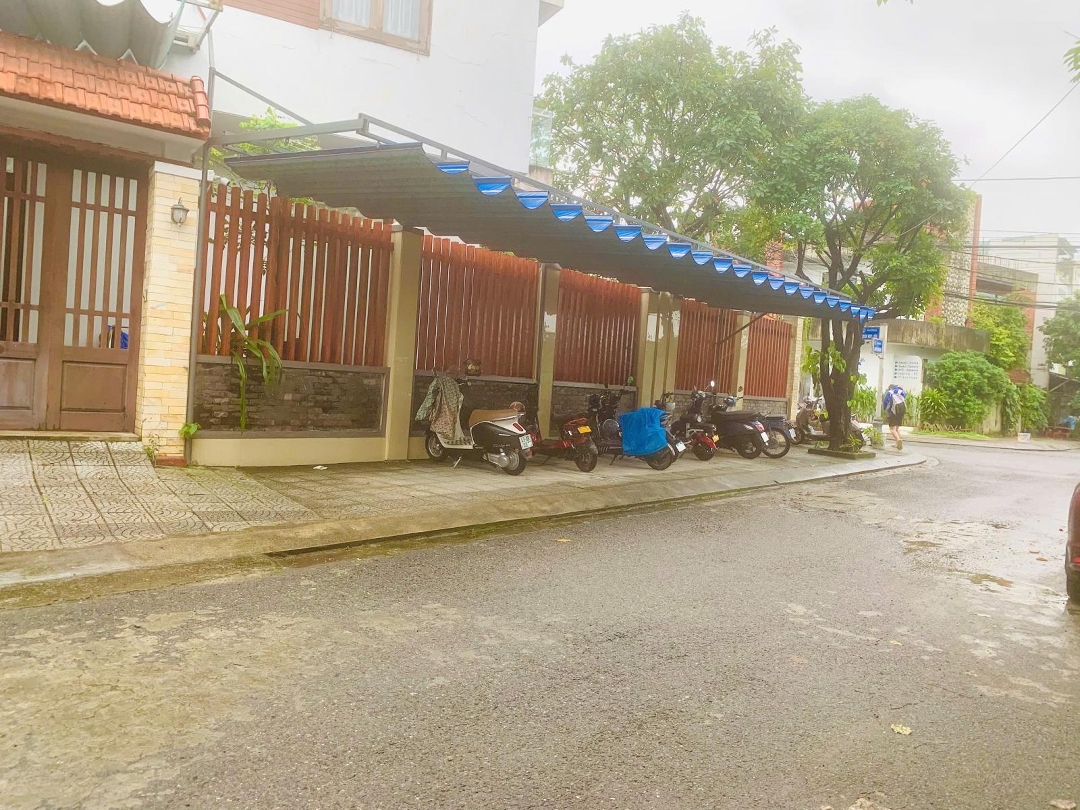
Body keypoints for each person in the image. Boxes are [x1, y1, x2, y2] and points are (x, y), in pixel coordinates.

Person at [882, 383, 907, 450]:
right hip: (902, 410)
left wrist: (886, 410)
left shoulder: (890, 392)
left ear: (890, 388)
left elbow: (886, 403)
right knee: (897, 428)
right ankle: (897, 443)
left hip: (894, 411)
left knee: (892, 429)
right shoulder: (901, 391)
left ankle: (898, 440)